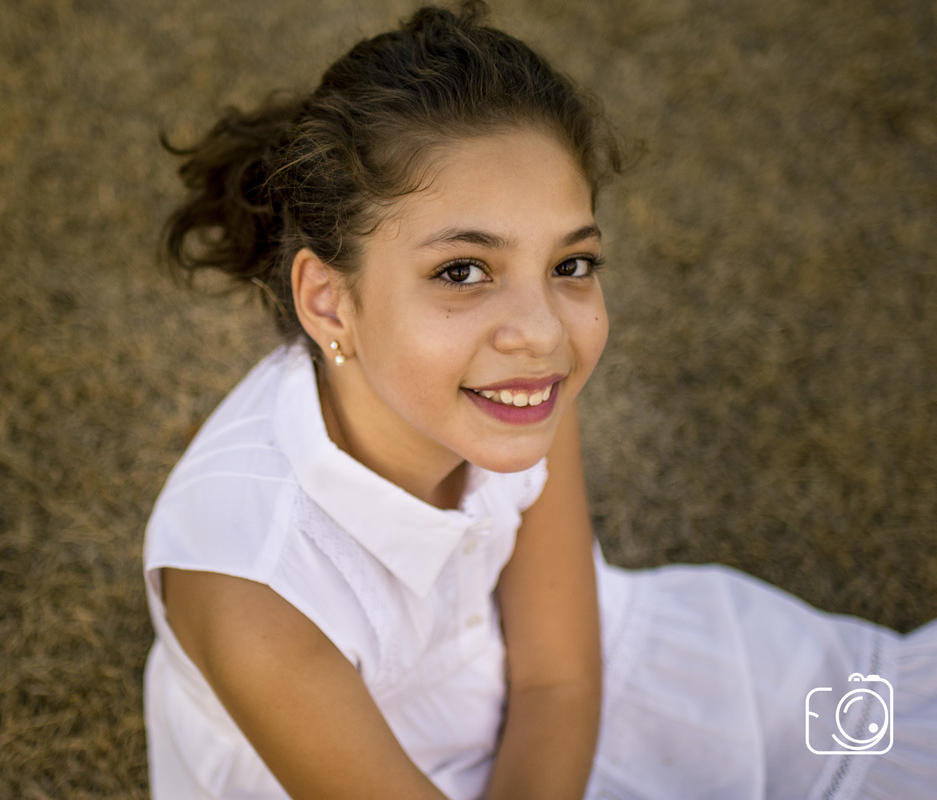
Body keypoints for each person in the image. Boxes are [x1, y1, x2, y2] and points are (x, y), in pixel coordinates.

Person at [142, 3, 937, 798]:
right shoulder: (255, 588)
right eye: (462, 271)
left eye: (570, 265)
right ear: (328, 301)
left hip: (557, 711)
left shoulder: (513, 397)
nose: (544, 334)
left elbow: (558, 678)